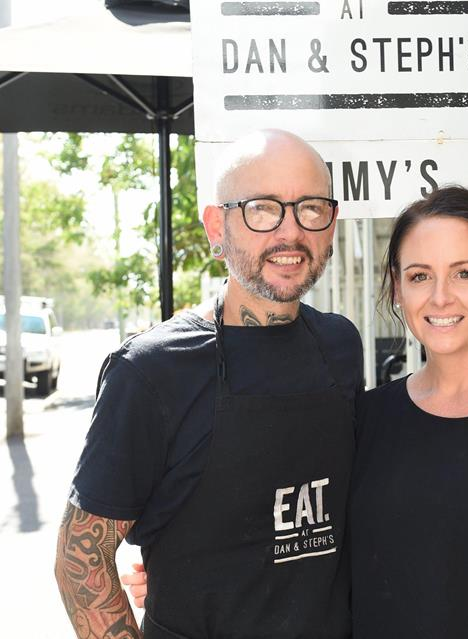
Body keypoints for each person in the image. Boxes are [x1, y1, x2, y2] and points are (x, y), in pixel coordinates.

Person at [129, 186, 468, 638]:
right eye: (420, 275)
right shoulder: (369, 420)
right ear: (397, 289)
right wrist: (188, 568)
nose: (440, 297)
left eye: (464, 273)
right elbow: (297, 534)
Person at [54, 130, 363, 639]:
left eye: (310, 207)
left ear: (330, 222)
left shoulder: (340, 346)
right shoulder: (152, 370)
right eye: (263, 209)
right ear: (217, 226)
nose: (291, 232)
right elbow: (79, 560)